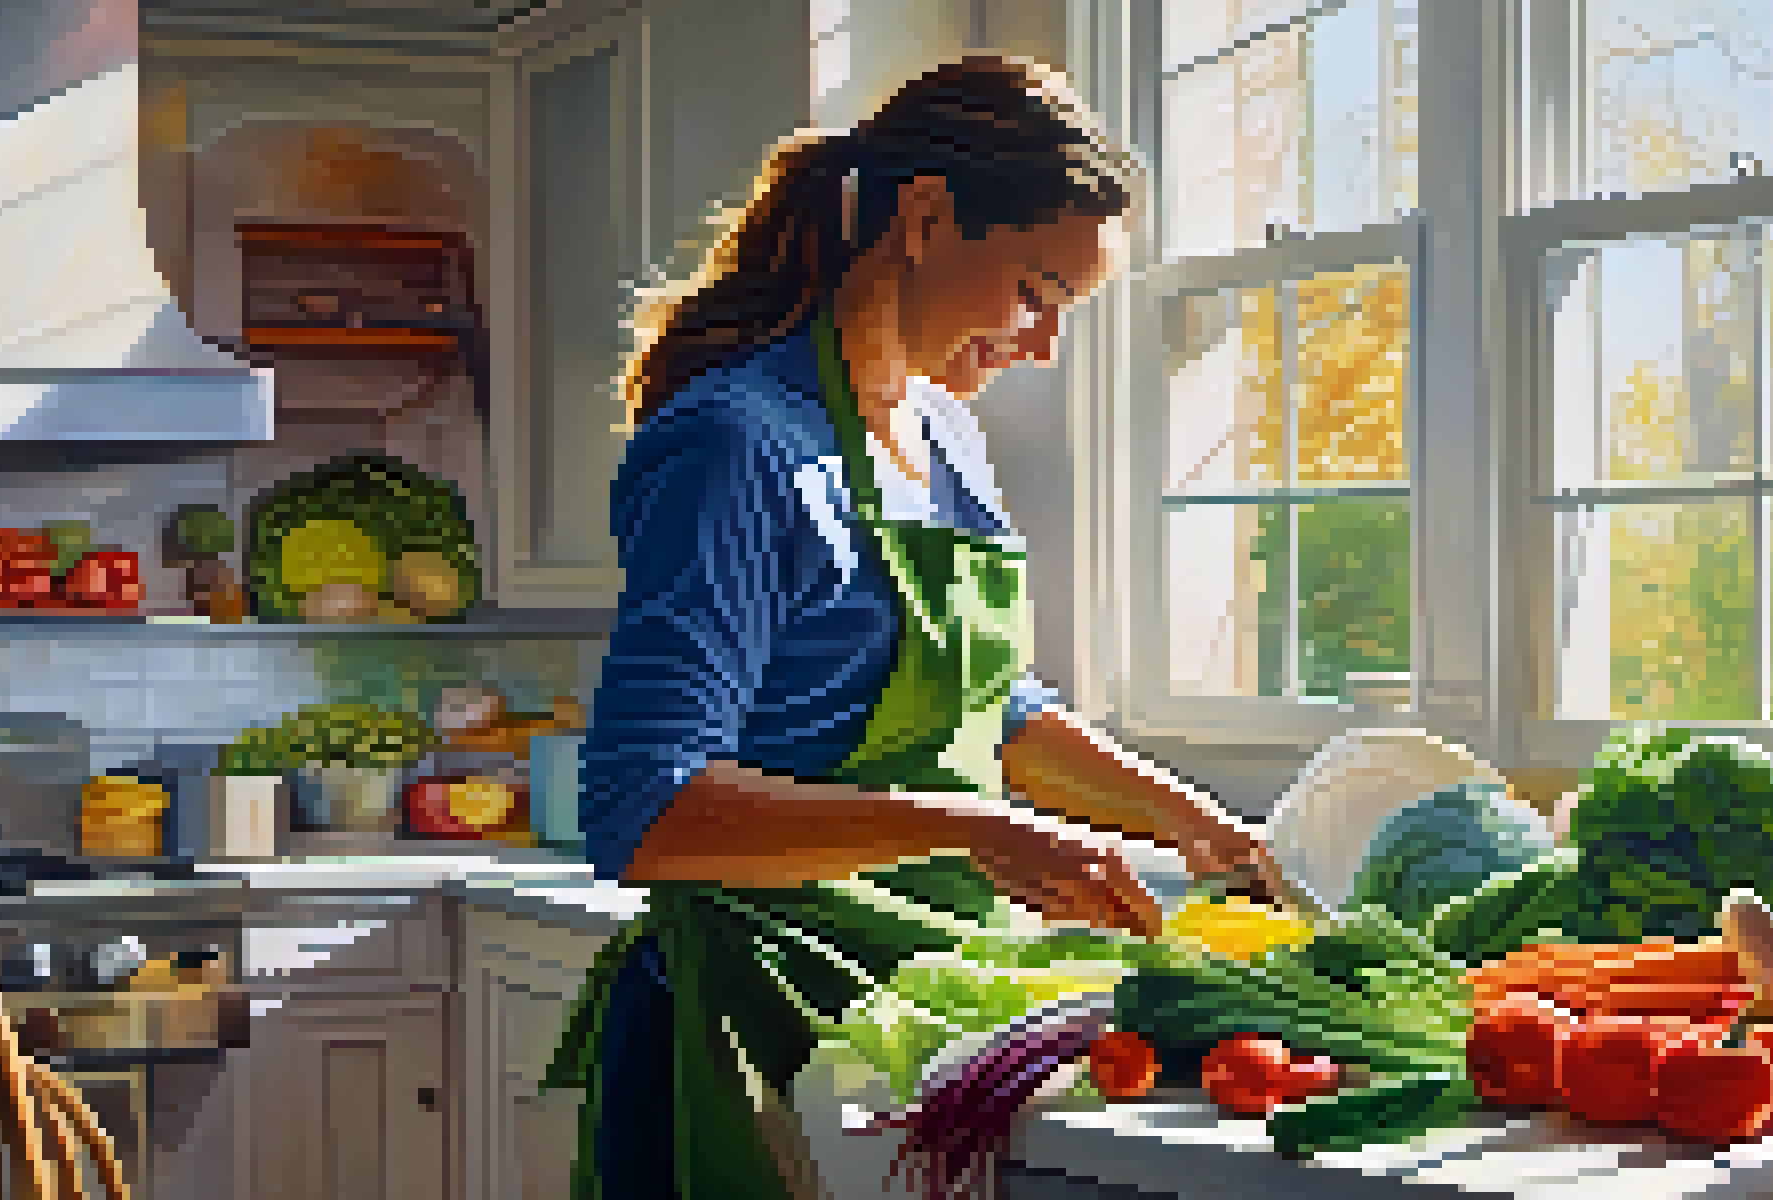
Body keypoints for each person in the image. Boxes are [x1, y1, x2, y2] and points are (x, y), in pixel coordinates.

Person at [546, 56, 1295, 1200]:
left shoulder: (945, 436)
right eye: (1035, 292)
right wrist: (972, 830)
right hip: (750, 1034)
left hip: (908, 1016)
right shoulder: (736, 443)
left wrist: (1190, 818)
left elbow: (992, 707)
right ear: (929, 217)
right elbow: (641, 809)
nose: (1043, 345)